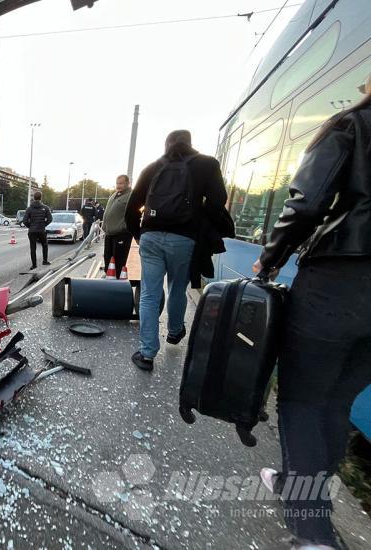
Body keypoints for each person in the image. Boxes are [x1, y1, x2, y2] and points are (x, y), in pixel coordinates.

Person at [251, 74, 371, 550]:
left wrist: (272, 257)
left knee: (302, 398)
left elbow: (306, 203)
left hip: (339, 285)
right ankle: (293, 483)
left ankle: (313, 532)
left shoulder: (353, 125)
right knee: (337, 401)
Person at [125, 130, 227, 371]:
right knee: (177, 287)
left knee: (149, 294)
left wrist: (141, 236)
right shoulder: (207, 164)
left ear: (166, 144)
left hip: (150, 236)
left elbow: (132, 208)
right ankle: (174, 332)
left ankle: (147, 353)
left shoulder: (151, 168)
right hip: (185, 237)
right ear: (190, 143)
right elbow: (217, 201)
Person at [102, 175, 133, 277]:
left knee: (118, 261)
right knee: (108, 260)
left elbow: (134, 214)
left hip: (121, 234)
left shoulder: (131, 196)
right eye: (117, 183)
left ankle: (117, 283)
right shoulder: (114, 195)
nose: (118, 186)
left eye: (121, 183)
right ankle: (108, 278)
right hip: (109, 234)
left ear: (128, 183)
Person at [22, 190, 52, 270]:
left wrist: (31, 226)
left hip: (32, 231)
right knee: (45, 245)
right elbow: (50, 219)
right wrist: (43, 225)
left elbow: (24, 221)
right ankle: (45, 261)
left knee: (33, 248)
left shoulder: (29, 209)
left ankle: (34, 265)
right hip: (41, 230)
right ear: (41, 198)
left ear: (34, 198)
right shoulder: (45, 208)